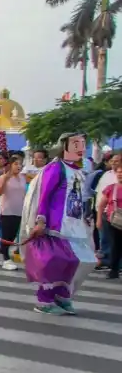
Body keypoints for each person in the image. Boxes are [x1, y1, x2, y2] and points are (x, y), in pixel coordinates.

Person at [22, 132, 94, 316]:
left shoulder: (78, 170)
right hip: (54, 225)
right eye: (76, 144)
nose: (81, 149)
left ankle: (62, 296)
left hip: (74, 224)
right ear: (65, 147)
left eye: (83, 144)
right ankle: (44, 299)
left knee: (72, 261)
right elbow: (44, 196)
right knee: (53, 261)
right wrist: (40, 220)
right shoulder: (55, 168)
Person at [95, 161, 122, 279]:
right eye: (119, 172)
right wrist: (98, 220)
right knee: (115, 244)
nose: (120, 174)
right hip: (114, 221)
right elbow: (101, 205)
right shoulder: (111, 188)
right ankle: (114, 269)